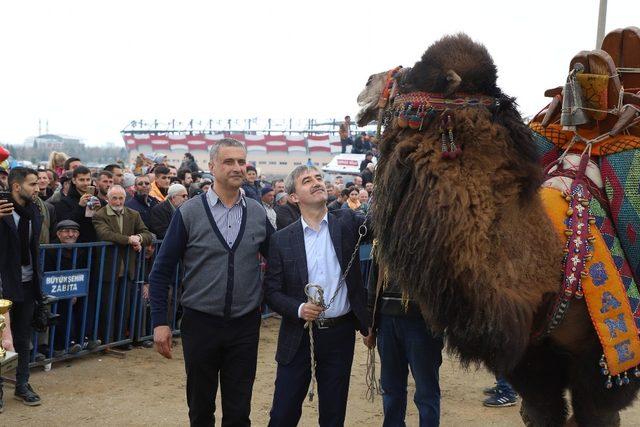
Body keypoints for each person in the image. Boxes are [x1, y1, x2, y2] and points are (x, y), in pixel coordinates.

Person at [150, 138, 274, 426]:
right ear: (211, 166)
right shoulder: (189, 212)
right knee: (201, 409)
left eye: (241, 162)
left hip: (244, 325)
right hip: (200, 323)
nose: (237, 167)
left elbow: (279, 262)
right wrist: (160, 321)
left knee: (239, 411)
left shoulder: (256, 212)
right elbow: (161, 270)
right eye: (229, 161)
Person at [264, 165, 370, 426]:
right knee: (282, 415)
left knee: (333, 416)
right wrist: (299, 308)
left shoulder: (348, 222)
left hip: (340, 334)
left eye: (319, 178)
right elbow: (272, 292)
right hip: (297, 335)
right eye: (306, 180)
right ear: (294, 197)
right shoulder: (281, 240)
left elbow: (383, 222)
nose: (317, 183)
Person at [365, 265, 444, 426]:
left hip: (423, 324)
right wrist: (370, 325)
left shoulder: (435, 241)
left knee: (426, 391)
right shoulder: (383, 241)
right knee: (391, 388)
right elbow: (374, 281)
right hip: (387, 321)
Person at [0, 167, 44, 408]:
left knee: (23, 337)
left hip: (27, 283)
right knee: (0, 341)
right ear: (17, 187)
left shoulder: (34, 211)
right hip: (3, 285)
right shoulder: (1, 208)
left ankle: (22, 384)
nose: (37, 188)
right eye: (32, 184)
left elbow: (35, 248)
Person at [93, 185, 153, 345]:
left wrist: (139, 238)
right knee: (107, 308)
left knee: (124, 307)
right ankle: (107, 341)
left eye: (121, 198)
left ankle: (121, 340)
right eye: (114, 198)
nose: (118, 201)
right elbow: (104, 234)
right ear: (107, 199)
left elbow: (147, 233)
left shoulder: (133, 214)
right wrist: (129, 240)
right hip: (108, 269)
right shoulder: (100, 214)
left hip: (127, 269)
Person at [44, 220, 86, 356]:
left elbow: (81, 274)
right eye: (66, 231)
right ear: (58, 234)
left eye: (74, 232)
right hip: (52, 293)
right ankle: (58, 346)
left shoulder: (81, 250)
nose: (70, 235)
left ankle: (74, 341)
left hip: (73, 292)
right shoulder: (50, 250)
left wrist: (73, 292)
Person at [54, 166, 100, 242]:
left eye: (88, 179)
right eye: (81, 180)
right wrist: (80, 207)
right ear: (74, 180)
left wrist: (100, 210)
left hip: (94, 244)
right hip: (75, 246)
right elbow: (65, 223)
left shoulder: (97, 200)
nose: (86, 183)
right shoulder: (64, 202)